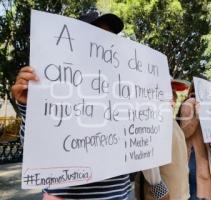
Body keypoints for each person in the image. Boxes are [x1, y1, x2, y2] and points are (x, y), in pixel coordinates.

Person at [12, 9, 168, 200]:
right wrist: (29, 107)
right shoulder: (57, 84)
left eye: (109, 40)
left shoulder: (126, 92)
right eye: (95, 37)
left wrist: (157, 113)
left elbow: (144, 148)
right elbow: (35, 149)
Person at [135, 88, 190, 200]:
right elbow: (146, 155)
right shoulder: (152, 119)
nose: (174, 97)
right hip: (163, 194)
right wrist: (158, 188)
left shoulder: (170, 119)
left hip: (178, 192)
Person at [177, 82, 211, 200]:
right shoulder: (189, 104)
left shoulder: (208, 105)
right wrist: (197, 117)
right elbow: (184, 133)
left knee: (200, 190)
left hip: (204, 153)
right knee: (195, 190)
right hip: (194, 154)